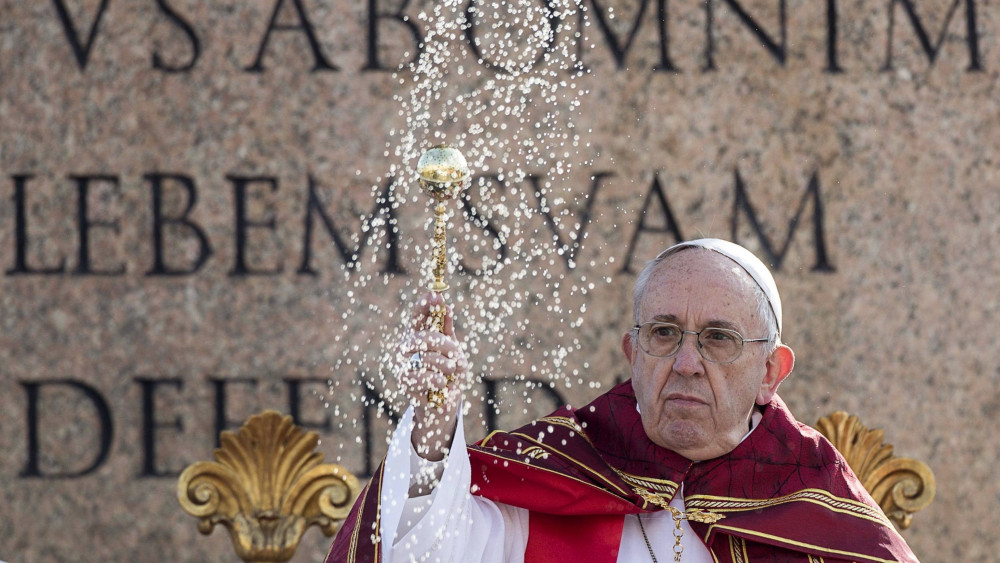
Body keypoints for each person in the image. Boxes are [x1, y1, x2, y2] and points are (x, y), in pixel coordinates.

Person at [326, 239, 919, 562]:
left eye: (719, 338)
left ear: (771, 371)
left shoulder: (822, 516)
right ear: (633, 353)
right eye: (664, 334)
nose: (687, 363)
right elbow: (430, 551)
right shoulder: (557, 472)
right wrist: (434, 429)